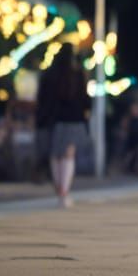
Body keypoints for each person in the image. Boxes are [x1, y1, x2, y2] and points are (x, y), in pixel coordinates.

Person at [44, 42, 90, 207]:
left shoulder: (52, 74)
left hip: (57, 119)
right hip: (75, 119)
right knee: (68, 155)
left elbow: (46, 99)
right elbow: (86, 99)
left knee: (56, 154)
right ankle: (64, 191)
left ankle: (60, 189)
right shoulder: (78, 75)